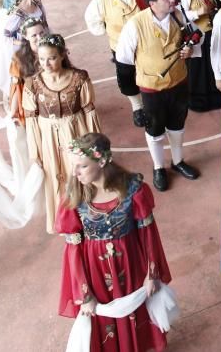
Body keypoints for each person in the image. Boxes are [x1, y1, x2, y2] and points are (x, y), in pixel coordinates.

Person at [56, 133, 173, 352]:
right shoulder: (74, 196)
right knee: (104, 322)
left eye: (82, 166)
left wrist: (151, 273)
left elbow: (148, 234)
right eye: (74, 166)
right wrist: (84, 293)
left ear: (101, 161)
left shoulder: (133, 190)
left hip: (132, 266)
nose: (75, 173)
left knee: (135, 314)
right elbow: (73, 251)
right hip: (95, 273)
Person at [115, 0, 201, 192]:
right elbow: (124, 64)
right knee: (154, 130)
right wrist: (136, 104)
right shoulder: (135, 25)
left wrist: (190, 50)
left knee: (178, 125)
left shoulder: (179, 17)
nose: (172, 0)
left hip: (179, 84)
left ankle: (178, 161)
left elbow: (195, 42)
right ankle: (158, 167)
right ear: (152, 3)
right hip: (151, 90)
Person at [23, 34, 101, 233]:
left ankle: (87, 219)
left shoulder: (79, 78)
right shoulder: (32, 84)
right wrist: (36, 152)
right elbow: (31, 120)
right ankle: (66, 223)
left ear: (62, 56)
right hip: (47, 136)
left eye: (51, 58)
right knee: (55, 178)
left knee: (79, 174)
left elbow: (89, 111)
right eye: (41, 59)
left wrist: (95, 143)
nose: (46, 64)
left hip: (75, 131)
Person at [84, 0, 148, 128]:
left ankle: (152, 102)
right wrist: (108, 30)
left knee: (150, 71)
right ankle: (137, 107)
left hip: (145, 42)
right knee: (127, 78)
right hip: (120, 46)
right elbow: (92, 19)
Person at [177, 0, 221, 112]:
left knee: (215, 65)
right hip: (197, 37)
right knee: (199, 69)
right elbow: (180, 16)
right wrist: (199, 12)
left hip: (214, 33)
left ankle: (218, 96)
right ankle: (200, 101)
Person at [8, 17, 46, 123]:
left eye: (42, 33)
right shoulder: (19, 59)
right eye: (34, 35)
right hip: (33, 104)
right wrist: (13, 112)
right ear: (26, 36)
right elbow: (17, 87)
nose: (40, 37)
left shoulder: (53, 52)